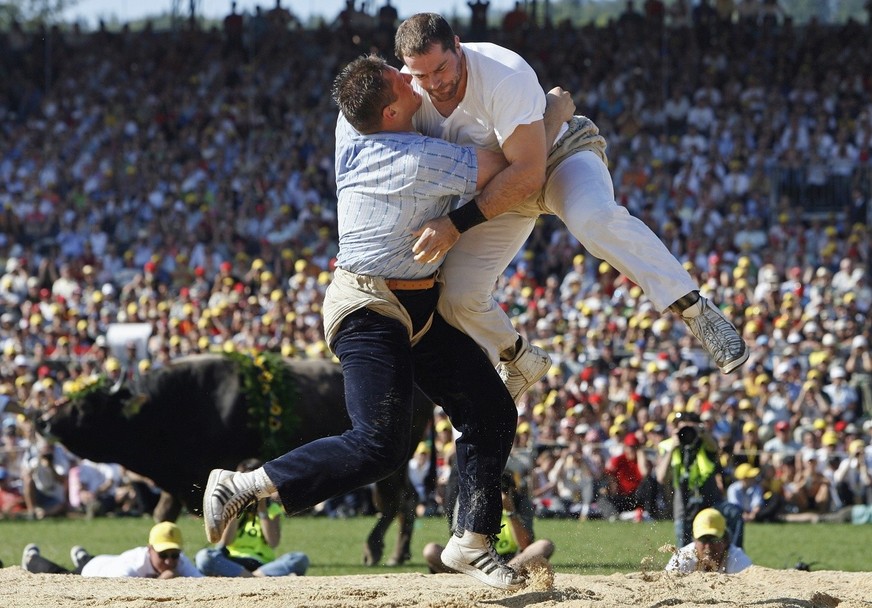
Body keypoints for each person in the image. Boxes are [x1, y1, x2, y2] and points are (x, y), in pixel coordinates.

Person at [202, 54, 573, 591]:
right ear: (395, 109)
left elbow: (371, 87)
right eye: (404, 78)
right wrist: (553, 114)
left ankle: (471, 542)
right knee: (378, 446)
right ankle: (243, 485)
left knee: (490, 407)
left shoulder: (350, 125)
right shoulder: (417, 158)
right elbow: (515, 166)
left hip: (411, 307)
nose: (411, 73)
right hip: (368, 308)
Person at [392, 13, 748, 404]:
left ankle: (693, 307)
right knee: (457, 295)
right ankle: (518, 358)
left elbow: (528, 174)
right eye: (421, 75)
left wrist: (456, 224)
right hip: (499, 188)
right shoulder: (408, 95)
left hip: (559, 157)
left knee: (593, 219)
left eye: (441, 68)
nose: (434, 83)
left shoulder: (501, 71)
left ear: (457, 46)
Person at [423, 470, 554, 574]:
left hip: (512, 560)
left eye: (503, 489)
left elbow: (525, 544)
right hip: (475, 562)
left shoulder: (520, 501)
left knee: (545, 545)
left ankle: (505, 573)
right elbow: (459, 540)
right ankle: (483, 574)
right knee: (431, 550)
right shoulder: (471, 498)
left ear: (512, 490)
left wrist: (510, 511)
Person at [196, 458, 310, 577]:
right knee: (204, 556)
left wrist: (262, 509)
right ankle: (254, 577)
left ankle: (249, 576)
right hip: (232, 561)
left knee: (299, 558)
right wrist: (235, 508)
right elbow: (225, 542)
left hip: (262, 564)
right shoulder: (234, 508)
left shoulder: (272, 510)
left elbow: (273, 542)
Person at [655, 411, 744, 548]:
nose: (687, 433)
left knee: (733, 514)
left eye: (691, 429)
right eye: (684, 429)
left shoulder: (705, 442)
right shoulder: (668, 446)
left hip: (710, 503)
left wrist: (702, 432)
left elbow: (714, 448)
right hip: (683, 508)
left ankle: (736, 557)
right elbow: (661, 477)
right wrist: (673, 447)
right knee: (684, 554)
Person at [21, 521, 203, 578]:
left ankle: (82, 555)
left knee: (87, 559)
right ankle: (31, 559)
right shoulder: (132, 566)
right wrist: (163, 581)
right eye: (163, 554)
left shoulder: (181, 560)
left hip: (108, 558)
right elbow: (120, 590)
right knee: (61, 575)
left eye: (174, 554)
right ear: (150, 549)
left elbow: (202, 582)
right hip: (94, 570)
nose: (169, 561)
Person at [665, 507, 753, 573]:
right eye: (703, 539)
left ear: (725, 540)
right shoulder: (682, 559)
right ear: (695, 540)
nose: (708, 546)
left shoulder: (738, 560)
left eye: (714, 539)